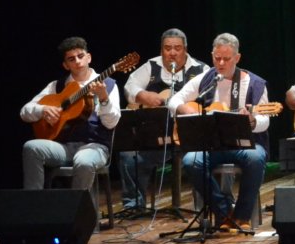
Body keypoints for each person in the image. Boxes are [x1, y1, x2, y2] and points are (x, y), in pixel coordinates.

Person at [167, 33, 270, 233]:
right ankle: (224, 212)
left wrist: (252, 119)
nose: (220, 63)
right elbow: (173, 100)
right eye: (217, 58)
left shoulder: (254, 83)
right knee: (191, 161)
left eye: (226, 59)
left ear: (237, 58)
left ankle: (242, 216)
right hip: (212, 145)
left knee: (256, 158)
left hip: (244, 144)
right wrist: (188, 111)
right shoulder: (205, 79)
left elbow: (265, 121)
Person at [20, 37, 122, 207]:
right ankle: (33, 208)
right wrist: (42, 110)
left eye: (81, 56)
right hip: (63, 147)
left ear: (89, 57)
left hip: (94, 146)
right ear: (65, 65)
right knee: (31, 147)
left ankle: (75, 214)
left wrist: (104, 99)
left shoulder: (108, 85)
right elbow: (24, 111)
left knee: (83, 161)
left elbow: (111, 124)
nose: (78, 62)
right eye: (71, 59)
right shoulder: (57, 87)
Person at [118, 27, 206, 211]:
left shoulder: (200, 69)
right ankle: (134, 207)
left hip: (190, 139)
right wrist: (143, 95)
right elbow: (130, 86)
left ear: (185, 50)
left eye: (177, 48)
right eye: (167, 48)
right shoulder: (151, 66)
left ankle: (203, 209)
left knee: (203, 160)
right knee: (129, 157)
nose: (172, 53)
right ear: (161, 50)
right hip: (157, 139)